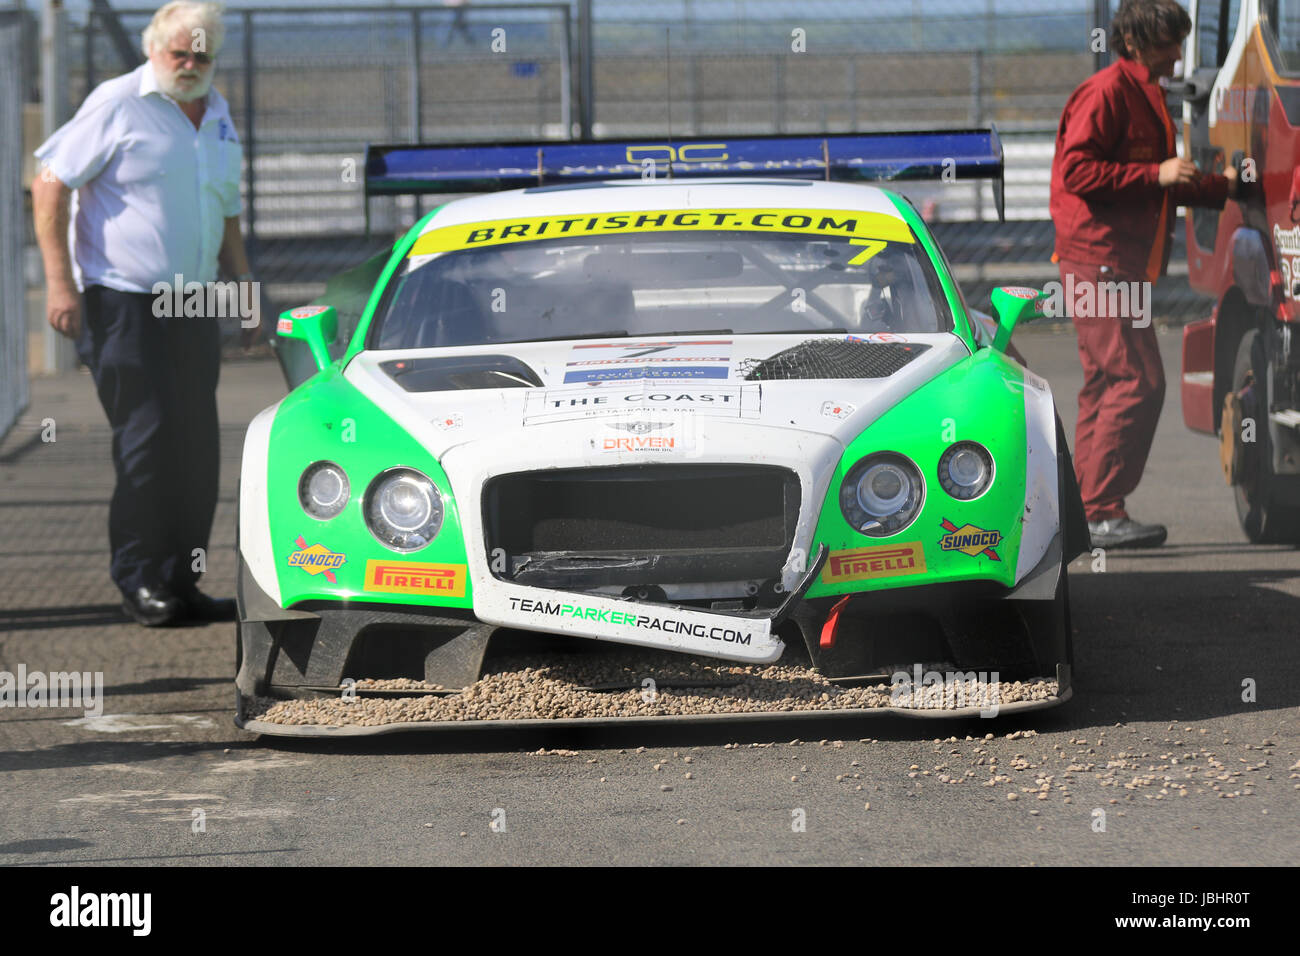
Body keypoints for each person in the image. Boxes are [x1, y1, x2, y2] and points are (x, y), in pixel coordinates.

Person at [31, 1, 251, 625]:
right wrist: (59, 285)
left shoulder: (217, 113)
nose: (189, 65)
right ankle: (139, 579)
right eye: (178, 53)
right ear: (154, 49)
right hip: (123, 299)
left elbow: (226, 210)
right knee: (147, 441)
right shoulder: (118, 101)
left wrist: (246, 288)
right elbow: (50, 182)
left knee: (196, 446)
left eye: (201, 54)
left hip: (195, 301)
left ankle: (183, 580)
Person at [1050, 0, 1237, 549]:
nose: (1179, 55)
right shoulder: (1108, 92)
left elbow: (1162, 181)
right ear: (1134, 44)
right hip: (1100, 262)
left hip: (1111, 262)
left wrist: (1221, 186)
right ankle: (1102, 510)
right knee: (1137, 381)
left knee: (1107, 383)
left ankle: (1082, 513)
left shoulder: (1145, 92)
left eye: (1180, 42)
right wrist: (1154, 171)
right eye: (1168, 43)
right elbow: (1078, 170)